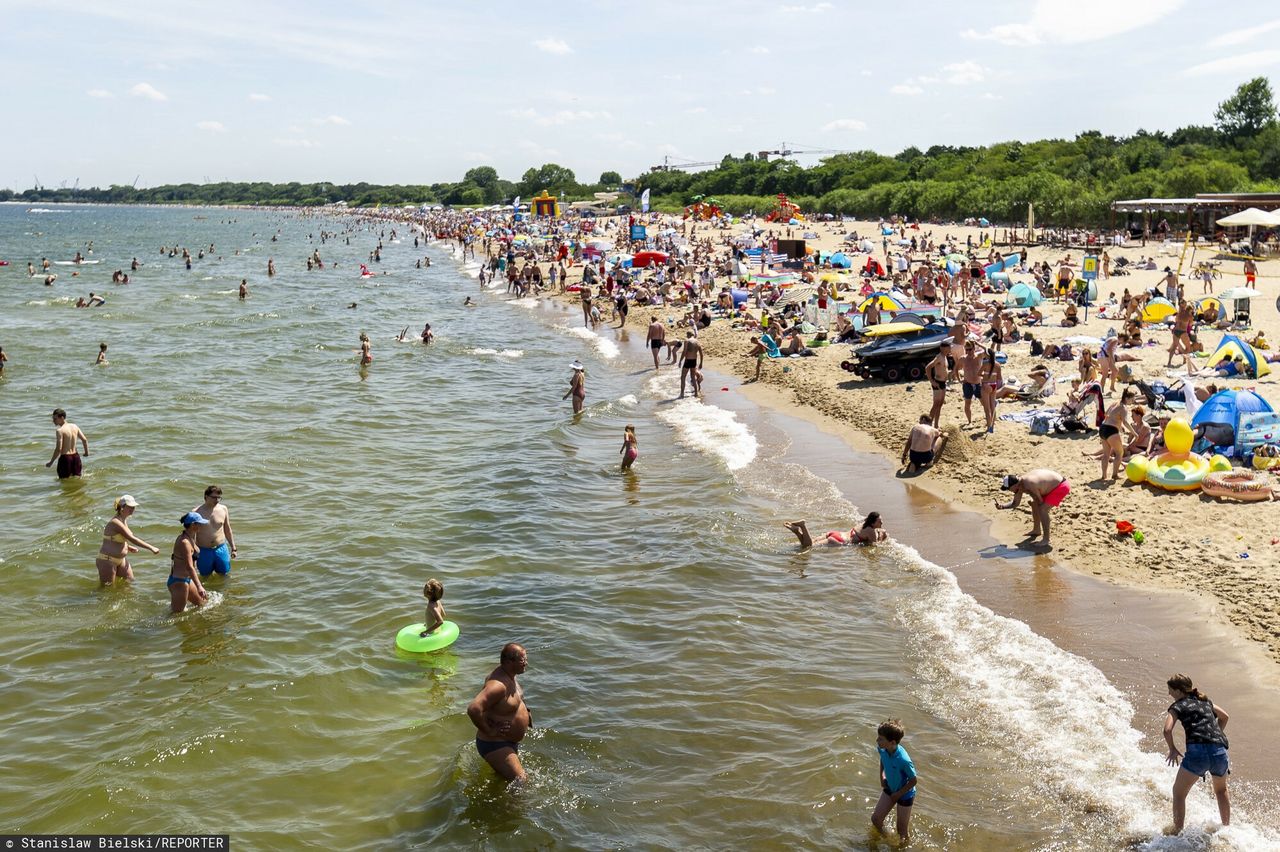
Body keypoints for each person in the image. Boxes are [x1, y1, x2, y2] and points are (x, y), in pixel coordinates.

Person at [1163, 673, 1231, 834]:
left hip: (1197, 754)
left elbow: (1167, 730)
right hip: (1219, 751)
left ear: (1179, 691)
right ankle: (1227, 830)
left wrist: (1172, 749)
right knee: (1221, 791)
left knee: (1178, 793)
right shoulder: (1205, 701)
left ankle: (1177, 833)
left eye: (1170, 690)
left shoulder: (1177, 706)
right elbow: (1225, 716)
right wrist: (1215, 734)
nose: (1169, 694)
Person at [467, 643, 532, 783]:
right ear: (509, 662)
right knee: (521, 781)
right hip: (496, 744)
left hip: (507, 742)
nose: (526, 663)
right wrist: (489, 730)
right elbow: (474, 709)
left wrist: (526, 712)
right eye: (522, 660)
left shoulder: (511, 675)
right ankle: (514, 806)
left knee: (504, 780)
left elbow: (516, 699)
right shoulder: (498, 685)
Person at [995, 469, 1069, 548]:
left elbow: (1040, 502)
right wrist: (1002, 506)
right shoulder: (1019, 485)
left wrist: (1037, 503)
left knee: (1042, 509)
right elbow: (1015, 503)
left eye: (1008, 488)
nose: (1008, 490)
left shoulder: (1029, 484)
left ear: (1013, 486)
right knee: (1034, 504)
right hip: (1049, 487)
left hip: (1060, 486)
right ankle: (1036, 530)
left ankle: (1046, 539)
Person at [96, 495, 161, 584]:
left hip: (121, 559)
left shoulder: (123, 520)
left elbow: (117, 538)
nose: (133, 509)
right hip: (108, 560)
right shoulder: (116, 522)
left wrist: (128, 547)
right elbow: (132, 538)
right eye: (130, 507)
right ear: (122, 507)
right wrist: (151, 548)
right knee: (107, 590)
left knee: (130, 582)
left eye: (133, 507)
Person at [872, 718, 917, 843]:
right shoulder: (883, 749)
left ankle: (903, 847)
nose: (877, 740)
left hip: (905, 794)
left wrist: (898, 794)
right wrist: (882, 777)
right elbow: (882, 759)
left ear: (892, 742)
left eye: (881, 738)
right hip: (890, 788)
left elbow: (913, 781)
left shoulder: (904, 760)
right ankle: (887, 839)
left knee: (901, 831)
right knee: (876, 819)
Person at [168, 512, 210, 614]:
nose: (202, 525)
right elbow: (189, 567)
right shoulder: (184, 542)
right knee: (177, 616)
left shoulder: (191, 536)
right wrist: (199, 586)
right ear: (193, 525)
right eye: (199, 523)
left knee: (203, 603)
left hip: (187, 580)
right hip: (179, 582)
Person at [192, 485, 237, 577]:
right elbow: (192, 534)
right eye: (214, 497)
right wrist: (193, 553)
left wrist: (233, 548)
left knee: (224, 575)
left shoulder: (223, 509)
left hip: (221, 548)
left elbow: (227, 529)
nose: (216, 500)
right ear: (206, 497)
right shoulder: (196, 512)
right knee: (205, 576)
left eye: (219, 498)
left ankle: (223, 591)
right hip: (204, 551)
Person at [784, 512, 887, 548]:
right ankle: (803, 526)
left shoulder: (864, 523)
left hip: (836, 533)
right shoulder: (871, 531)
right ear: (873, 523)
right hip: (840, 541)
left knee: (805, 545)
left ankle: (797, 532)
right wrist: (882, 536)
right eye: (879, 521)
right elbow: (874, 546)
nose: (881, 523)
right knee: (809, 546)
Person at [46, 408, 89, 479]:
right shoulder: (75, 426)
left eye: (55, 419)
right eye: (53, 419)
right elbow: (84, 440)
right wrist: (86, 453)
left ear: (62, 418)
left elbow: (59, 449)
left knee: (64, 483)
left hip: (65, 459)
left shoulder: (60, 430)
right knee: (77, 480)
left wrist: (51, 462)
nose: (53, 421)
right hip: (76, 457)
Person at [925, 345, 948, 427]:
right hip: (937, 382)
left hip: (943, 383)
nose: (949, 349)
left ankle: (936, 425)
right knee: (936, 404)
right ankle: (929, 424)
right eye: (948, 347)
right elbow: (928, 367)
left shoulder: (944, 357)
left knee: (940, 404)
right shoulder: (939, 357)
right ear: (943, 348)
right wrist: (932, 381)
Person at [680, 332, 704, 399]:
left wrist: (680, 360)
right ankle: (696, 393)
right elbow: (701, 354)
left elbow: (684, 352)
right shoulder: (697, 342)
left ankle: (682, 394)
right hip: (694, 361)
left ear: (688, 335)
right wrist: (701, 363)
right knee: (693, 377)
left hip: (688, 361)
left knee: (683, 377)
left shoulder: (687, 341)